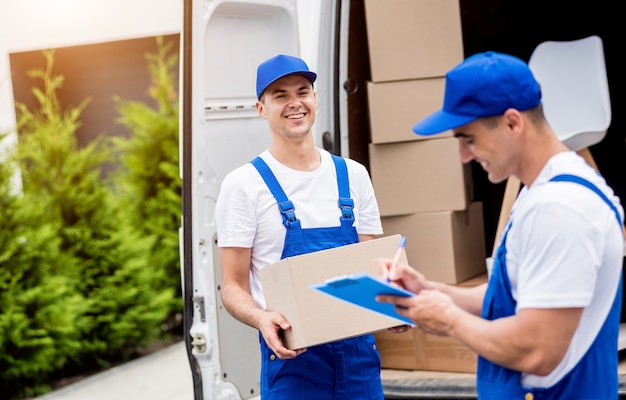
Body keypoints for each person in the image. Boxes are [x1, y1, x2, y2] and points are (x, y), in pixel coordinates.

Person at [376, 51, 625, 399]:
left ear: (512, 122)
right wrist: (432, 292)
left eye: (469, 138)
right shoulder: (543, 191)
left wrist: (448, 319)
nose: (464, 155)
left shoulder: (560, 209)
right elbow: (516, 293)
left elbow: (536, 350)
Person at [216, 54, 385, 400]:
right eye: (280, 95)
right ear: (261, 108)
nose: (295, 103)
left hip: (359, 359)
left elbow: (374, 268)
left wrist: (391, 306)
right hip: (294, 362)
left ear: (315, 98)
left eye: (303, 91)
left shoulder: (353, 175)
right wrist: (262, 318)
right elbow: (232, 287)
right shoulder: (244, 185)